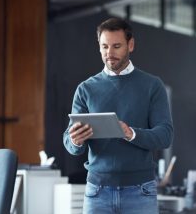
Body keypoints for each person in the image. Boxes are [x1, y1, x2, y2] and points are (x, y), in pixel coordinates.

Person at [63, 17, 174, 214]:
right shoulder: (86, 89)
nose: (109, 53)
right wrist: (75, 140)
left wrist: (131, 133)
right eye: (104, 46)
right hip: (97, 192)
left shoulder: (152, 86)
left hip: (141, 191)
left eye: (116, 46)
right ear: (98, 46)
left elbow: (165, 135)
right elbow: (70, 143)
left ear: (130, 45)